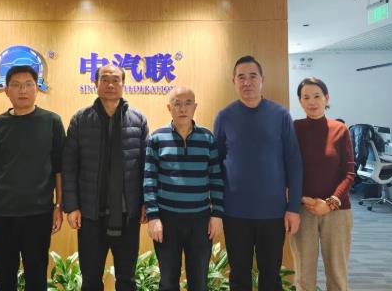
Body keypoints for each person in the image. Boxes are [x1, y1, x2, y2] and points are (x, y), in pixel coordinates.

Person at [213, 55, 303, 291]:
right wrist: (216, 209)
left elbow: (294, 162)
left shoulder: (281, 115)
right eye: (241, 77)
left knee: (271, 275)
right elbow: (215, 165)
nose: (247, 82)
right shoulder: (224, 117)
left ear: (262, 79)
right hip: (234, 212)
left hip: (272, 212)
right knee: (239, 276)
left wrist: (293, 207)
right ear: (234, 81)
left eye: (253, 76)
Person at [0, 65, 65, 291]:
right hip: (2, 213)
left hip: (39, 213)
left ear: (37, 88)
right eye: (16, 85)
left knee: (36, 276)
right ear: (6, 90)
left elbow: (59, 169)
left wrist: (59, 205)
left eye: (28, 85)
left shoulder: (52, 122)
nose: (22, 90)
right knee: (4, 277)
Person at [62, 64, 149, 291]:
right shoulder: (81, 119)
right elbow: (69, 166)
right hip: (90, 215)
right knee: (90, 279)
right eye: (105, 79)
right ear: (96, 83)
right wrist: (72, 207)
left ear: (123, 84)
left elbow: (145, 167)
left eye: (116, 80)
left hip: (127, 215)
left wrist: (145, 203)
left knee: (127, 278)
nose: (110, 84)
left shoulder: (138, 120)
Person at [144, 86, 224, 291]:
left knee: (199, 282)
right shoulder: (157, 138)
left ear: (195, 107)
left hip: (200, 221)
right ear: (169, 108)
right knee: (168, 281)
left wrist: (217, 214)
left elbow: (216, 178)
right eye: (177, 104)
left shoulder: (207, 139)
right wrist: (153, 217)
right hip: (166, 220)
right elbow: (149, 179)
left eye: (188, 103)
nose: (183, 108)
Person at [290, 77, 354, 291]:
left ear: (326, 98)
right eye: (306, 97)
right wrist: (301, 199)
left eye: (317, 96)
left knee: (337, 275)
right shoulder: (294, 128)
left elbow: (349, 173)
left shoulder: (340, 129)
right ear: (300, 101)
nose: (312, 102)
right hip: (303, 209)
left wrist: (330, 203)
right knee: (304, 277)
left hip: (337, 211)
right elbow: (287, 168)